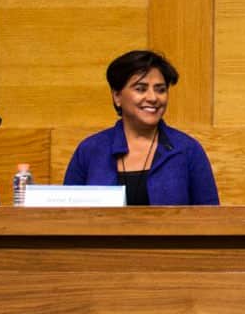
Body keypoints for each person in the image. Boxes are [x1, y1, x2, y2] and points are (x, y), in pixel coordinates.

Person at [64, 50, 219, 205]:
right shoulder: (90, 150)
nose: (152, 98)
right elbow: (65, 218)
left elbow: (211, 219)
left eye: (160, 89)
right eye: (140, 89)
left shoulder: (187, 150)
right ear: (117, 96)